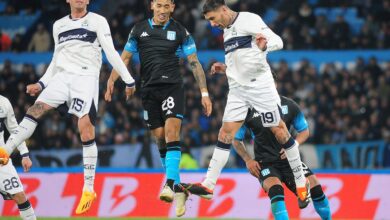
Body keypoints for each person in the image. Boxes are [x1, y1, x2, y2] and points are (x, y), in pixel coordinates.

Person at [0, 0, 135, 215]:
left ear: (88, 0)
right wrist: (42, 83)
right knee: (35, 110)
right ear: (68, 1)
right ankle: (4, 152)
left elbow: (111, 52)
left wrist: (128, 80)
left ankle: (88, 188)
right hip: (61, 78)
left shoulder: (98, 21)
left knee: (85, 127)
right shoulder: (58, 25)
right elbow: (55, 59)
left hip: (85, 76)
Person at [191, 0, 309, 205]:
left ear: (224, 10)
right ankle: (209, 185)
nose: (211, 24)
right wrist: (225, 68)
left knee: (279, 131)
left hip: (259, 87)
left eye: (212, 18)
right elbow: (241, 64)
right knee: (225, 133)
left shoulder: (249, 19)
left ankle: (300, 180)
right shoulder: (227, 31)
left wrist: (265, 46)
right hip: (237, 90)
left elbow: (278, 41)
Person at [104, 0, 212, 217]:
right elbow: (124, 58)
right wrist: (112, 80)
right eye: (159, 5)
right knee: (160, 138)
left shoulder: (181, 31)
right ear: (152, 6)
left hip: (172, 87)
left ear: (172, 7)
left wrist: (204, 93)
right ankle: (179, 189)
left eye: (167, 6)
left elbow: (194, 62)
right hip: (148, 91)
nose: (163, 10)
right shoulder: (139, 29)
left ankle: (170, 184)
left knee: (172, 132)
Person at [231, 101, 331, 219]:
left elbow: (304, 130)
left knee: (316, 188)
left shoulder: (289, 105)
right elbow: (236, 139)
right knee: (275, 190)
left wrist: (294, 145)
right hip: (265, 163)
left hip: (290, 160)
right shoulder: (248, 110)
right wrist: (248, 160)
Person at [0, 95, 36, 220]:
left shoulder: (3, 103)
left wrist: (24, 154)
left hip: (1, 159)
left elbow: (15, 129)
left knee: (20, 195)